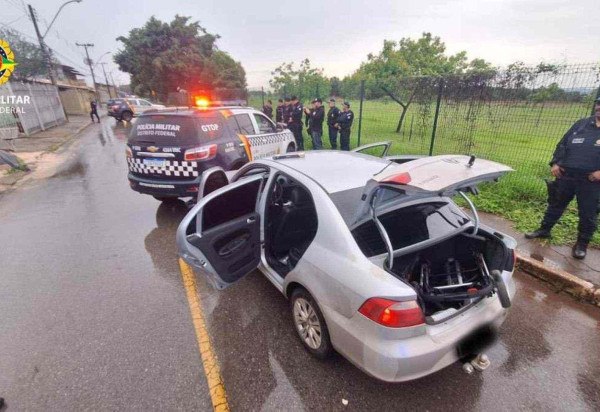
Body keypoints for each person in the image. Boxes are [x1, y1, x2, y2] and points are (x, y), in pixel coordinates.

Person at [525, 97, 600, 259]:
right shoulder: (581, 124)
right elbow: (562, 144)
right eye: (599, 104)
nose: (599, 107)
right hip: (566, 175)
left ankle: (581, 244)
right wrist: (556, 163)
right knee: (556, 204)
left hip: (591, 181)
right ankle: (544, 230)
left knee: (588, 213)